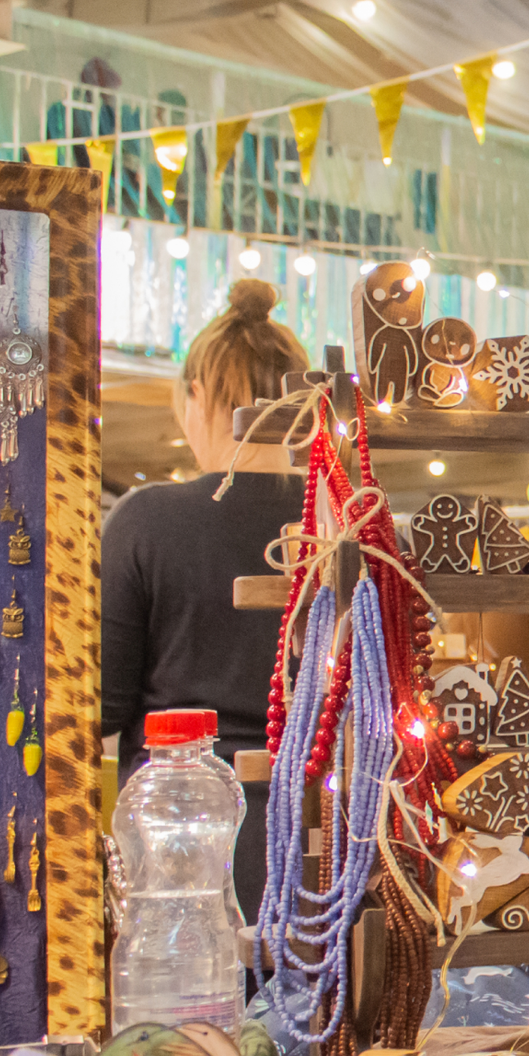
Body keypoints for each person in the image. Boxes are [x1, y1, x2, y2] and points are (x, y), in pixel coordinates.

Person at [103, 278, 311, 922]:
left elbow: (103, 707)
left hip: (183, 841)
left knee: (187, 1022)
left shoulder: (148, 520)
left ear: (197, 395)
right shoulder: (345, 525)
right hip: (325, 832)